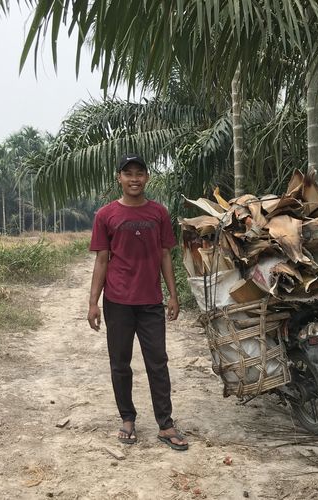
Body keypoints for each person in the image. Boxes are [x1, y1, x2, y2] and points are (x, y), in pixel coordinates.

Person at [87, 153, 188, 451]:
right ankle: (127, 419)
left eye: (139, 173)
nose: (134, 178)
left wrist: (173, 294)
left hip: (150, 302)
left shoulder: (159, 213)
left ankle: (165, 425)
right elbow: (102, 260)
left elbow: (165, 255)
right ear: (119, 178)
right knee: (120, 363)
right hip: (117, 301)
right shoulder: (106, 215)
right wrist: (93, 303)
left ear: (147, 177)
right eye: (128, 173)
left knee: (158, 361)